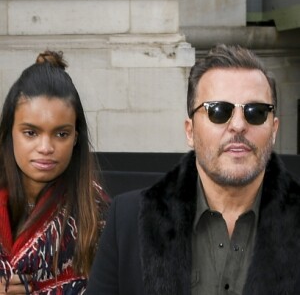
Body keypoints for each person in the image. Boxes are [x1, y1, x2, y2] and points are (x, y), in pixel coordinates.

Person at [86, 43, 300, 295]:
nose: (239, 125)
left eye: (256, 112)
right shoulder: (128, 221)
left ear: (274, 129)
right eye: (219, 111)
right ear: (190, 131)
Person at [0, 50, 107, 294]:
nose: (46, 148)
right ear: (9, 133)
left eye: (61, 134)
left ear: (75, 138)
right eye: (31, 132)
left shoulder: (97, 218)